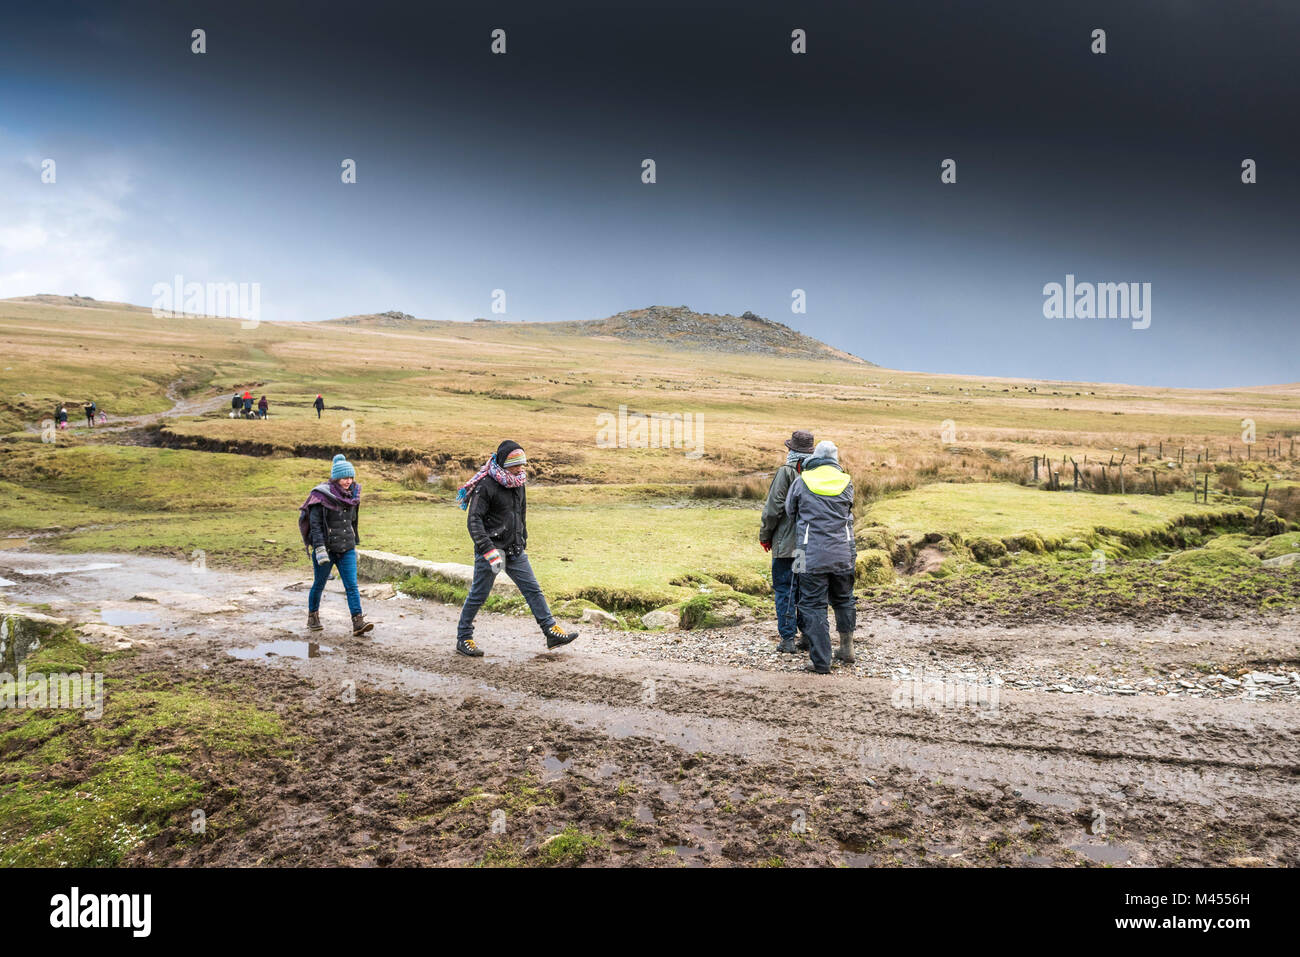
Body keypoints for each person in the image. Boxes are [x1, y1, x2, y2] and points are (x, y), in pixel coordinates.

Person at [454, 440, 577, 657]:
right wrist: (488, 550)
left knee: (533, 589)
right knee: (479, 595)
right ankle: (463, 638)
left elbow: (521, 514)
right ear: (503, 464)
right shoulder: (486, 485)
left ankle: (550, 631)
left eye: (522, 465)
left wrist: (522, 539)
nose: (520, 469)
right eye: (515, 465)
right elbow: (474, 521)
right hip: (492, 552)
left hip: (514, 549)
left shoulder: (519, 483)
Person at [784, 439, 857, 674]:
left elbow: (789, 511)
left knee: (813, 605)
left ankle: (821, 660)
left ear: (815, 456)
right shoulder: (846, 482)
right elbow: (849, 511)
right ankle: (847, 649)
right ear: (835, 459)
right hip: (844, 553)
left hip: (810, 554)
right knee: (844, 599)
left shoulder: (802, 481)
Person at [299, 453, 374, 636]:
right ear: (336, 477)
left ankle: (358, 622)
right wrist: (319, 548)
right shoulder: (320, 496)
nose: (348, 481)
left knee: (352, 586)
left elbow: (353, 521)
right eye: (344, 477)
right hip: (326, 549)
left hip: (346, 548)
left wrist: (354, 541)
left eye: (350, 477)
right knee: (319, 583)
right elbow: (315, 525)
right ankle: (313, 617)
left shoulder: (353, 495)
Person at [761, 429, 816, 655]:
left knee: (784, 590)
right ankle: (807, 636)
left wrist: (765, 536)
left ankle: (787, 639)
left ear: (791, 450)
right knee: (803, 591)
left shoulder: (786, 472)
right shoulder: (816, 473)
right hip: (808, 546)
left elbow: (773, 509)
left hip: (786, 546)